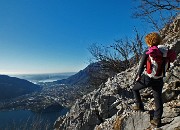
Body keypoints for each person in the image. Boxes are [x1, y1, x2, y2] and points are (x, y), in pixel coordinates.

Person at [132, 32, 164, 128]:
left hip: (149, 78)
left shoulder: (148, 51)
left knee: (134, 89)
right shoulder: (163, 51)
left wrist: (138, 75)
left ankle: (139, 106)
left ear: (149, 41)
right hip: (159, 78)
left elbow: (141, 66)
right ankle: (157, 120)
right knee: (158, 98)